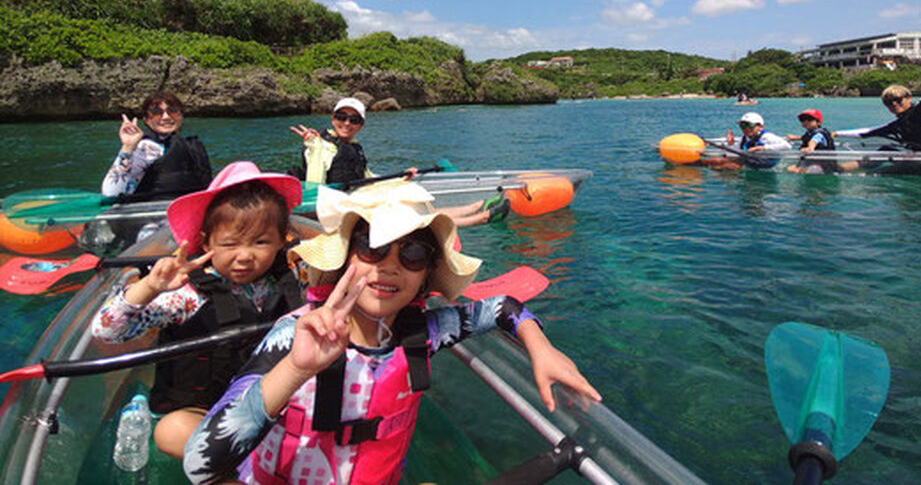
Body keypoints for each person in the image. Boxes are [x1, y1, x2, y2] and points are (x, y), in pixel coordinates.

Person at [183, 182, 601, 485]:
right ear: (347, 259)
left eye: (413, 254)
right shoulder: (295, 335)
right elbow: (200, 465)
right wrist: (296, 368)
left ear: (426, 277)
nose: (388, 266)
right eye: (372, 247)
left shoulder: (424, 333)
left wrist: (539, 346)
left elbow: (503, 307)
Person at [90, 162, 305, 459]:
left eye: (261, 242)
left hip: (268, 405)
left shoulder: (294, 278)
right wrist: (149, 287)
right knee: (172, 431)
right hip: (205, 412)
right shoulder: (188, 296)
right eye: (229, 244)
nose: (244, 256)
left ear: (282, 240)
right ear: (206, 243)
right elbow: (106, 331)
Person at [290, 96, 509, 225]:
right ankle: (479, 217)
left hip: (357, 197)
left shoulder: (353, 146)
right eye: (341, 117)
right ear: (332, 119)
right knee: (406, 213)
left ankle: (474, 206)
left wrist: (401, 178)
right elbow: (315, 184)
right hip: (337, 205)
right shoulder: (319, 145)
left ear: (361, 125)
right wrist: (313, 146)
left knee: (408, 197)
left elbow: (368, 177)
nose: (346, 123)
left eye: (353, 119)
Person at [102, 91, 212, 200]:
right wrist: (128, 147)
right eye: (156, 112)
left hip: (191, 205)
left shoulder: (192, 145)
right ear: (146, 119)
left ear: (181, 116)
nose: (166, 117)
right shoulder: (146, 148)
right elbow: (110, 193)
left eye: (172, 111)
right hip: (153, 208)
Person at [835, 76, 921, 151]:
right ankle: (840, 169)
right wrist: (836, 133)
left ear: (909, 98)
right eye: (888, 102)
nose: (894, 104)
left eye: (898, 100)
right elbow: (867, 132)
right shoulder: (899, 124)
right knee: (885, 150)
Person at [715, 111, 791, 169]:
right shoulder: (744, 139)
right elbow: (737, 152)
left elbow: (787, 146)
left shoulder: (767, 136)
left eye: (750, 125)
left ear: (760, 127)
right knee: (717, 162)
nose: (746, 129)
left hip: (768, 163)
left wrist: (763, 148)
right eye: (743, 126)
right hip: (753, 163)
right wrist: (730, 144)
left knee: (729, 165)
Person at [785, 108, 836, 173]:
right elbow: (806, 138)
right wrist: (796, 137)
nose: (806, 121)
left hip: (823, 166)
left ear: (818, 122)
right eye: (802, 119)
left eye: (809, 119)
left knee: (792, 169)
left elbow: (814, 141)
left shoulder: (819, 134)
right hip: (814, 162)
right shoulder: (810, 133)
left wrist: (810, 148)